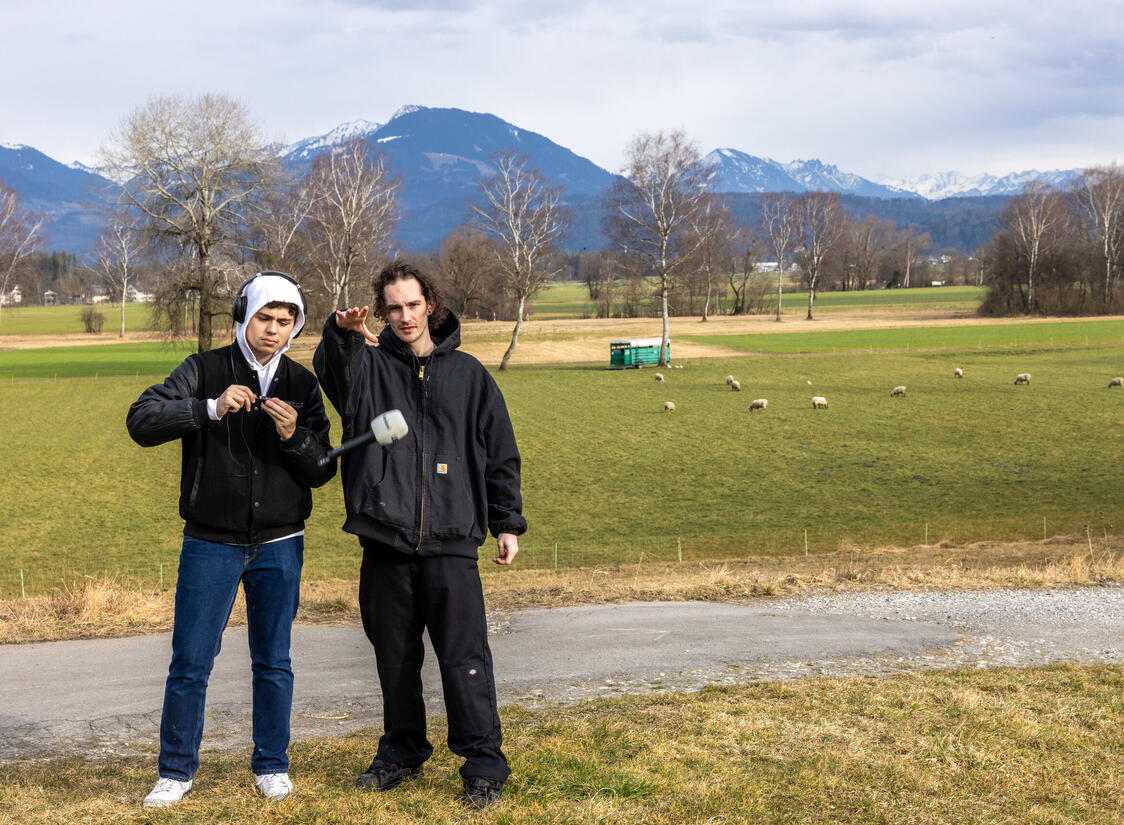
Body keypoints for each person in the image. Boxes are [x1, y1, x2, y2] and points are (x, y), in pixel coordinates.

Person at [314, 259, 525, 810]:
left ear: (430, 304)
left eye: (413, 305)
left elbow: (500, 453)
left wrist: (507, 522)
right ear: (381, 312)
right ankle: (402, 753)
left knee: (465, 658)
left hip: (453, 541)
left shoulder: (470, 375)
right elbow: (333, 375)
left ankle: (483, 765)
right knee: (395, 658)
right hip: (386, 540)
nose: (404, 316)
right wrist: (340, 336)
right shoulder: (368, 368)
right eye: (393, 308)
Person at [126, 271, 336, 808]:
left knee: (274, 660)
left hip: (281, 540)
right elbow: (142, 419)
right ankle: (175, 771)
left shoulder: (301, 384)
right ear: (244, 315)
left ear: (296, 327)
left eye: (286, 322)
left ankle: (271, 765)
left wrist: (294, 437)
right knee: (191, 661)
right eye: (265, 318)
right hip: (210, 541)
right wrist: (209, 408)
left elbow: (321, 469)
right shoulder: (203, 369)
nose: (274, 330)